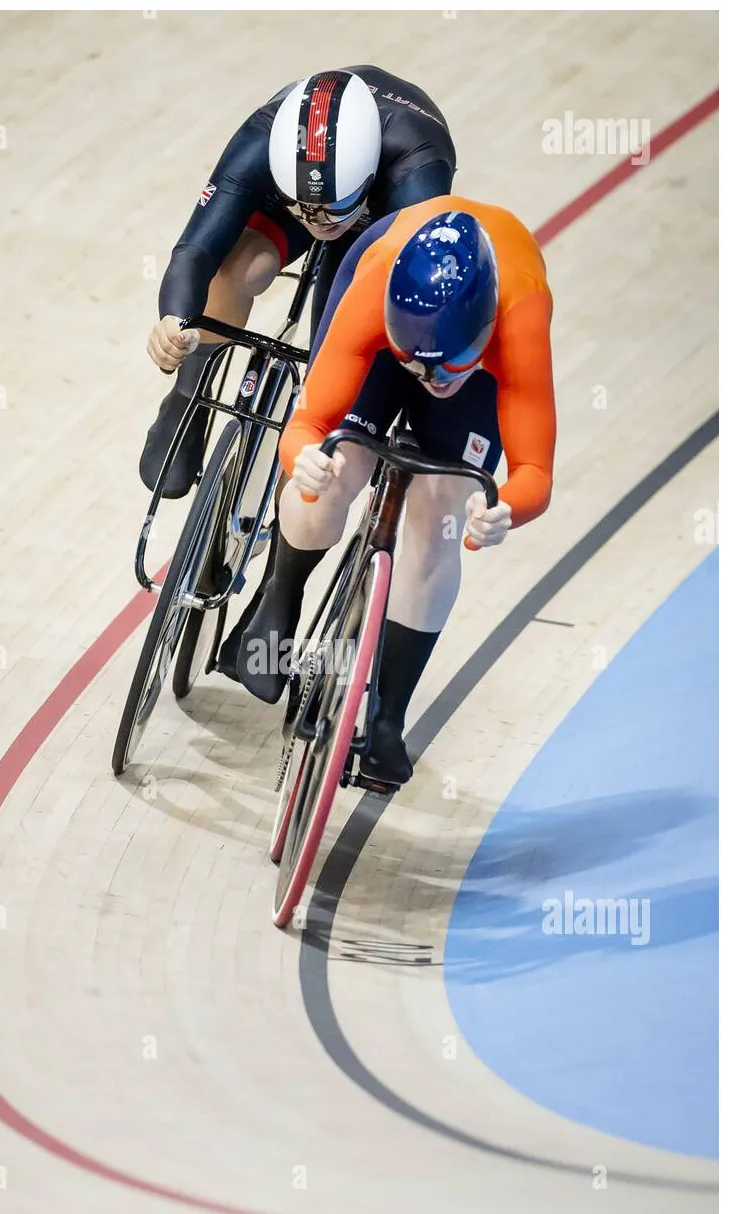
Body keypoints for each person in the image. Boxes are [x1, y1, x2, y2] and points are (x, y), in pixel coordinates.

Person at [233, 199, 557, 788]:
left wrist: (505, 506)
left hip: (473, 354)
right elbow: (307, 425)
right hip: (381, 319)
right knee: (334, 470)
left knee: (440, 521)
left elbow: (535, 470)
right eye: (419, 367)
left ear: (485, 334)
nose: (432, 382)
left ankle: (387, 719)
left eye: (447, 369)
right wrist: (302, 458)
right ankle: (279, 602)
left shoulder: (519, 316)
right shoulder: (373, 291)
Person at [139, 66, 458, 506]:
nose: (318, 224)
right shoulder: (263, 137)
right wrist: (174, 323)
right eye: (304, 208)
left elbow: (415, 304)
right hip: (324, 190)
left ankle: (289, 530)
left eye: (330, 211)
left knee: (340, 348)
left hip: (385, 213)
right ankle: (189, 391)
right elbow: (196, 250)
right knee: (241, 268)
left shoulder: (417, 167)